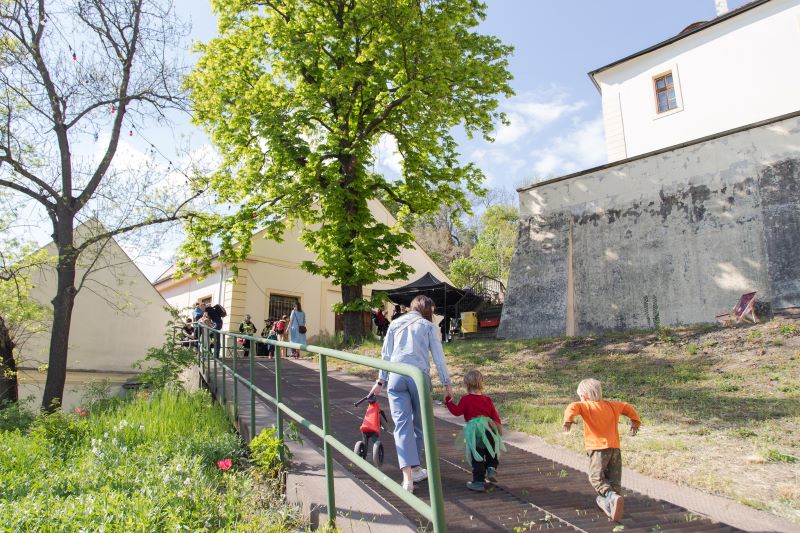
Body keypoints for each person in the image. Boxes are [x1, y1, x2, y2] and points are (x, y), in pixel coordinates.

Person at [368, 295, 453, 493]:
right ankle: (416, 468)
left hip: (397, 377)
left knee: (401, 426)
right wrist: (447, 383)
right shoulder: (428, 326)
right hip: (418, 377)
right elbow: (438, 357)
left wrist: (381, 380)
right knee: (419, 424)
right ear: (427, 310)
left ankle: (408, 477)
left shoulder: (395, 324)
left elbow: (386, 355)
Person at [563, 378, 641, 522]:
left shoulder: (586, 406)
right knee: (613, 480)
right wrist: (635, 421)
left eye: (580, 396)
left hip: (597, 449)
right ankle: (613, 501)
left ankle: (610, 497)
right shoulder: (612, 405)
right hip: (615, 449)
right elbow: (627, 406)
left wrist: (568, 419)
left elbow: (572, 407)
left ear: (585, 396)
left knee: (596, 477)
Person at [444, 369, 504, 492]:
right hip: (489, 428)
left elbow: (456, 412)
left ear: (466, 385)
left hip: (475, 432)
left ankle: (478, 482)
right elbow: (495, 416)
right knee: (490, 451)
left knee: (478, 456)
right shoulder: (487, 400)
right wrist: (498, 429)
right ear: (482, 384)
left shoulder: (466, 399)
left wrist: (448, 402)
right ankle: (492, 468)